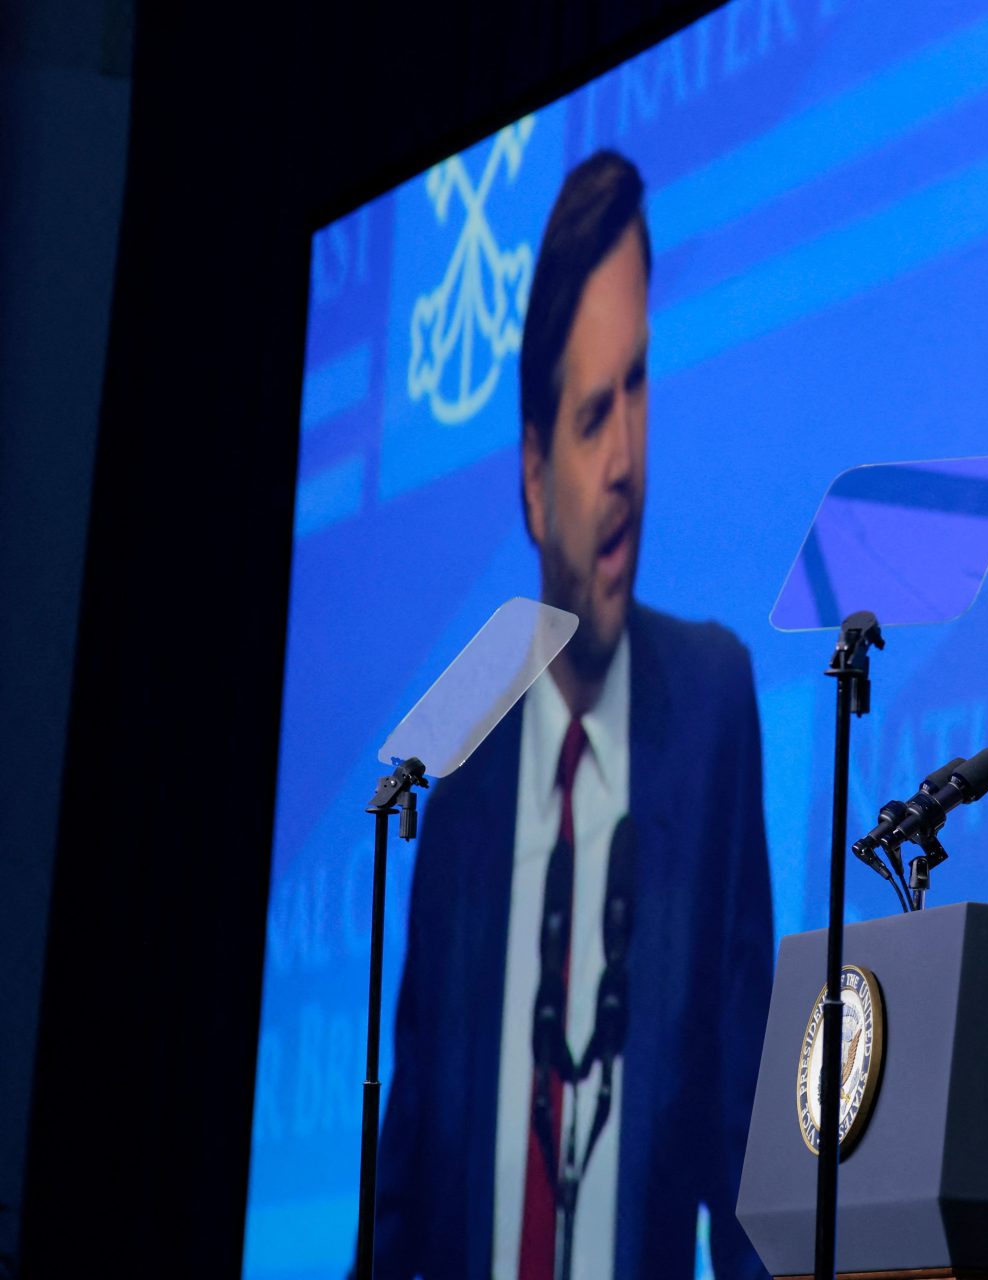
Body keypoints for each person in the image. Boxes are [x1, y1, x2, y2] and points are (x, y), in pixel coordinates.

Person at [372, 151, 773, 1280]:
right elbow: (405, 1170)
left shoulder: (711, 706)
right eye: (595, 415)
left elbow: (747, 1150)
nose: (629, 463)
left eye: (639, 386)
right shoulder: (462, 763)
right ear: (534, 473)